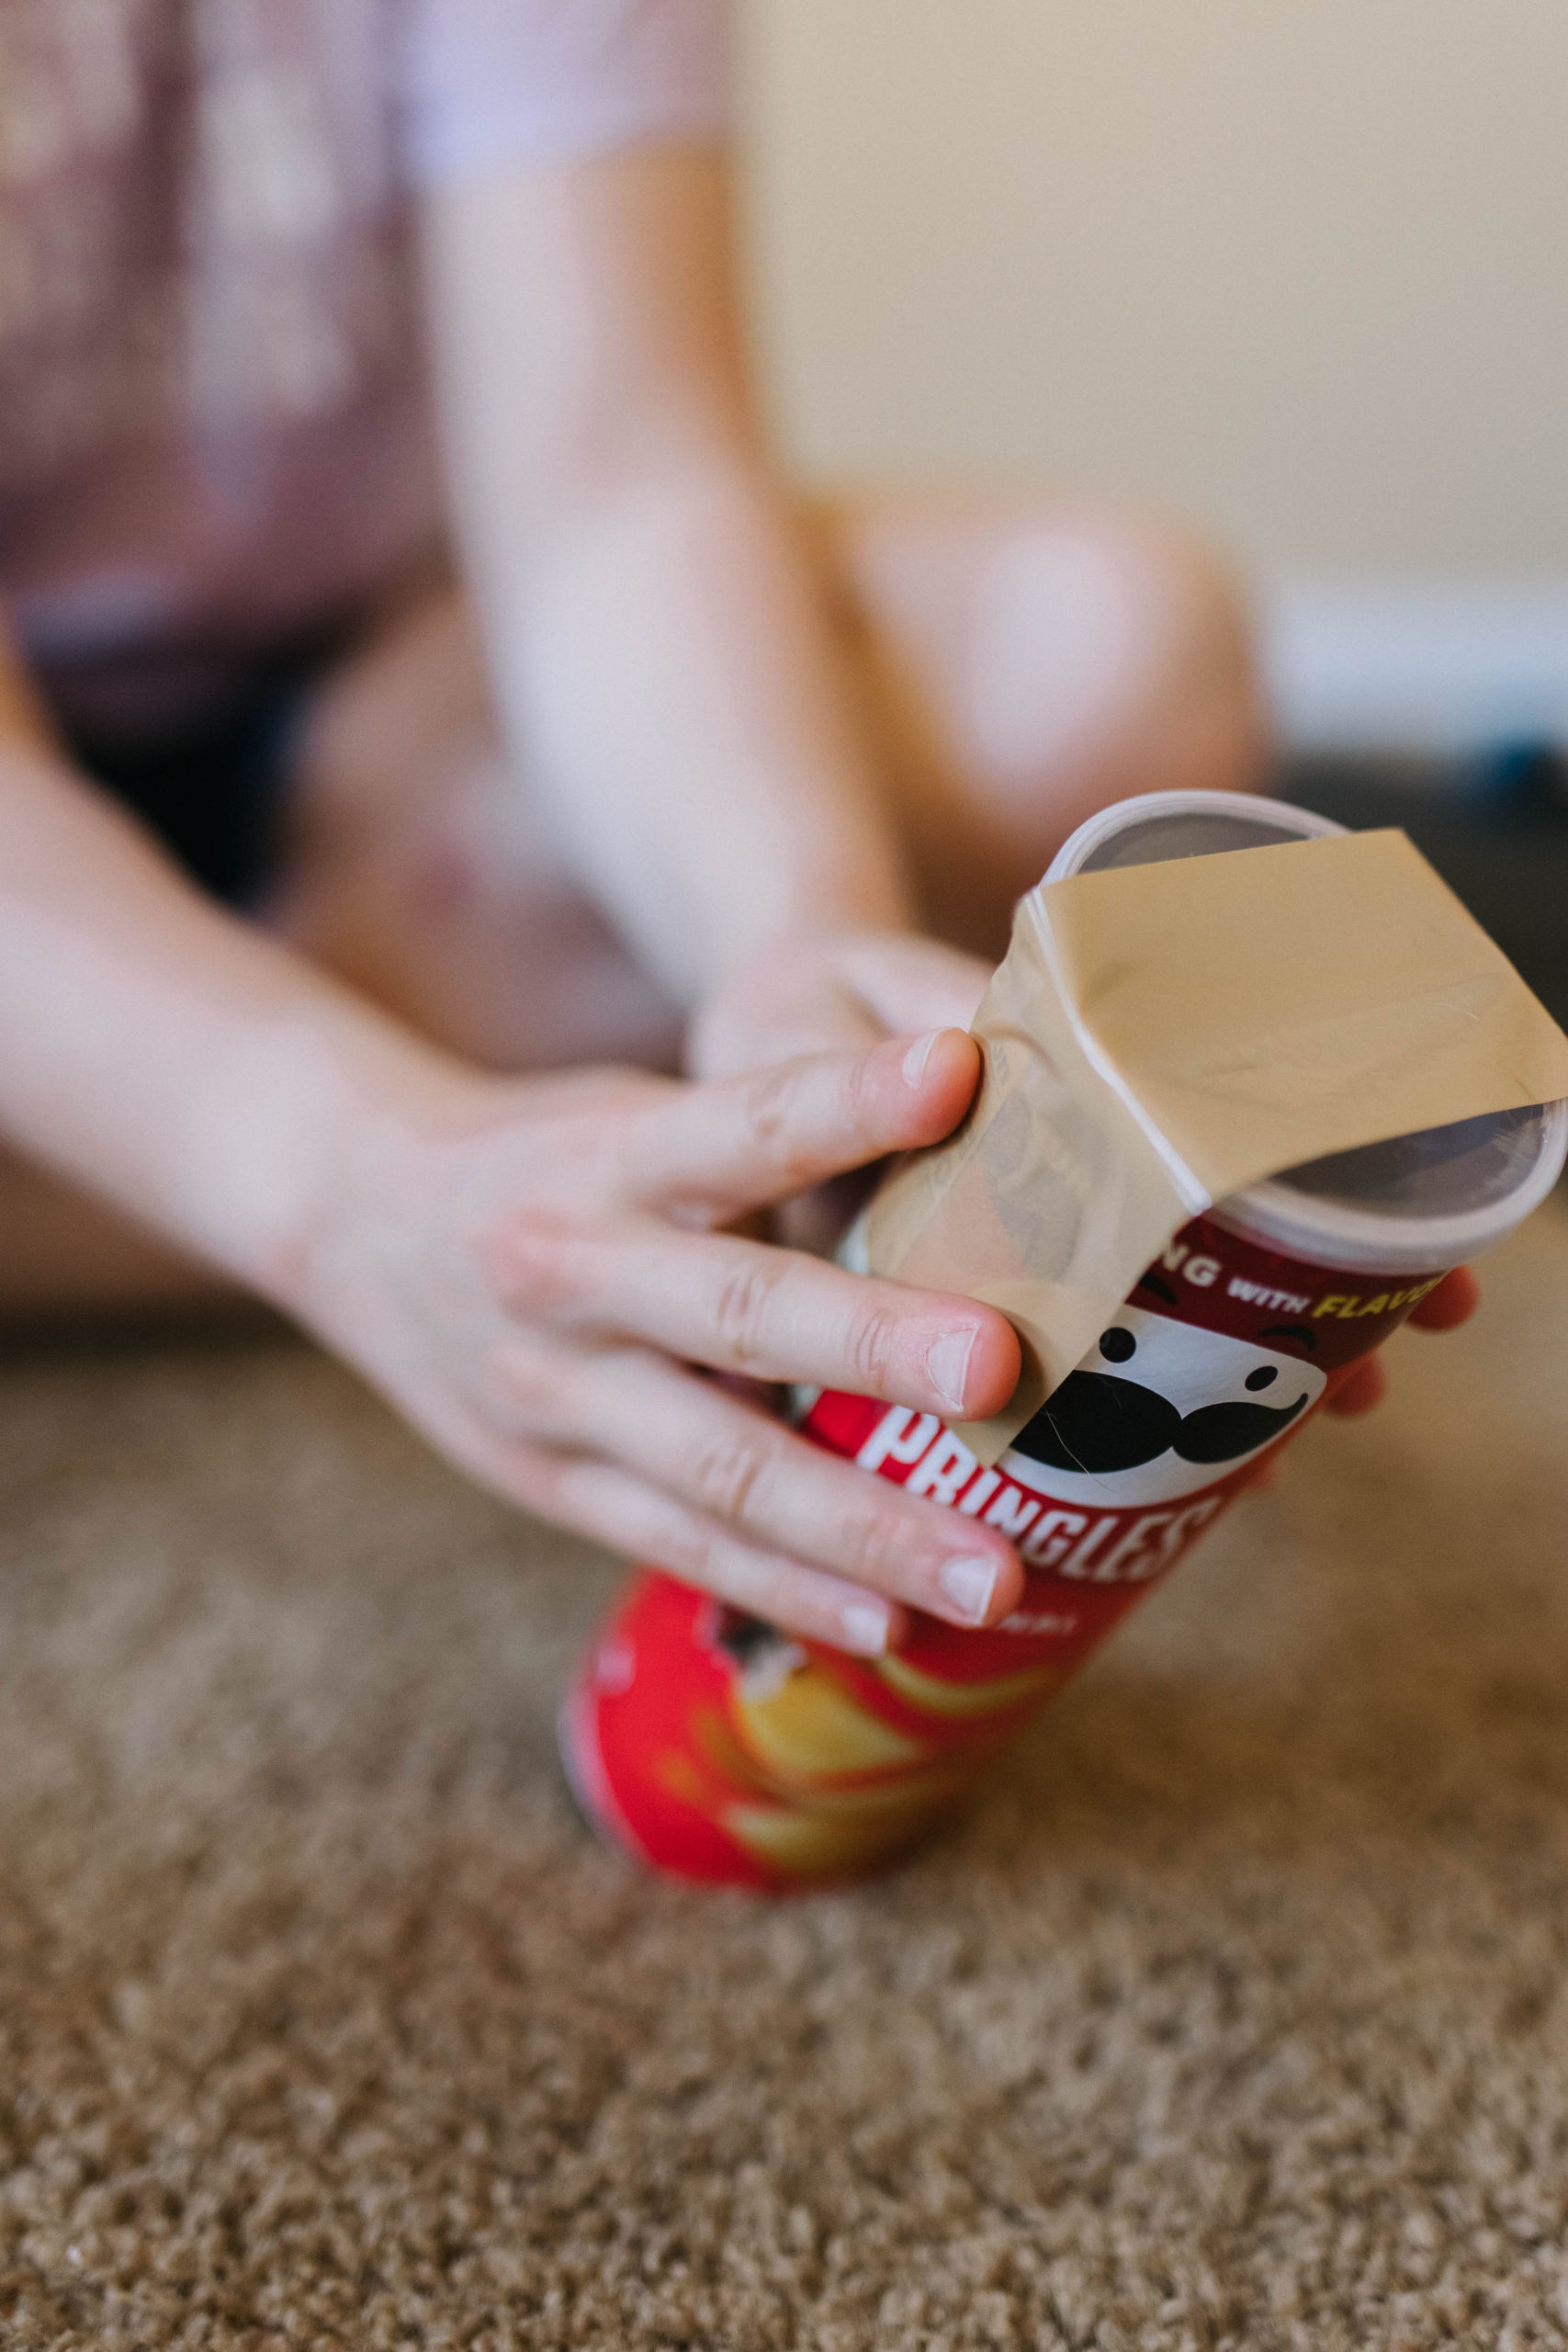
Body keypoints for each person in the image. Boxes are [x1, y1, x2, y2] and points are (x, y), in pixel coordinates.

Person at [0, 0, 1472, 1657]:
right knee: (334, 1148)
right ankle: (361, 1184)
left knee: (1107, 650)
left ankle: (223, 1183)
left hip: (357, 719)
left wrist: (790, 936)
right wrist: (333, 1172)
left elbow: (615, 476)